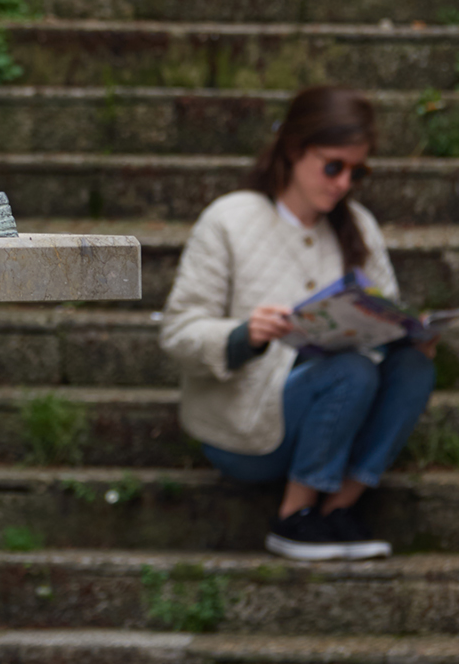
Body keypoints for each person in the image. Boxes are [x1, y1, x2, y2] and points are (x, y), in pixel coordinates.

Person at [158, 86, 435, 561]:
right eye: (333, 166)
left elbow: (384, 313)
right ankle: (294, 518)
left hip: (335, 410)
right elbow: (178, 333)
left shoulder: (359, 227)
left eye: (357, 171)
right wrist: (244, 334)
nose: (344, 183)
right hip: (244, 426)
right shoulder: (230, 220)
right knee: (351, 370)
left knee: (412, 366)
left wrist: (408, 336)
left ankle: (338, 509)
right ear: (293, 150)